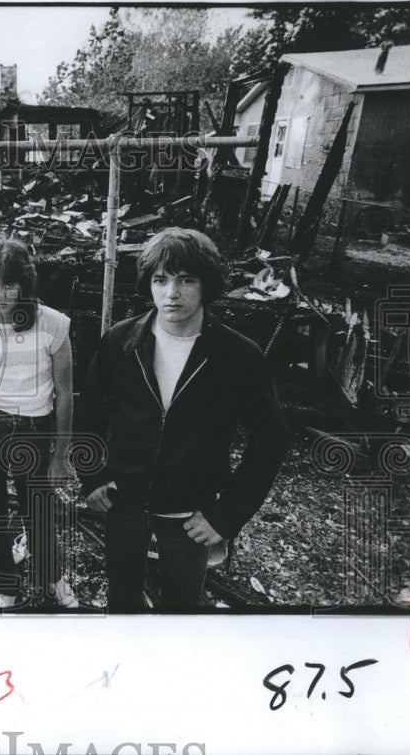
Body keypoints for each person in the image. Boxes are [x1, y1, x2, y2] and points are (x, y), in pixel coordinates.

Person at [79, 227, 288, 612]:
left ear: (206, 284)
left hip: (190, 515)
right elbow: (89, 411)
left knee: (180, 608)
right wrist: (91, 475)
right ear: (149, 283)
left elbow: (270, 439)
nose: (171, 294)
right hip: (123, 505)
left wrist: (226, 516)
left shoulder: (239, 356)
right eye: (160, 280)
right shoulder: (120, 341)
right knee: (122, 602)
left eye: (185, 280)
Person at [0, 238, 79, 609]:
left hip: (36, 427)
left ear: (25, 284)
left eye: (9, 284)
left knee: (36, 507)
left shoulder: (55, 325)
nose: (0, 295)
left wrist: (61, 455)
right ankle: (6, 584)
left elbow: (65, 392)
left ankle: (53, 576)